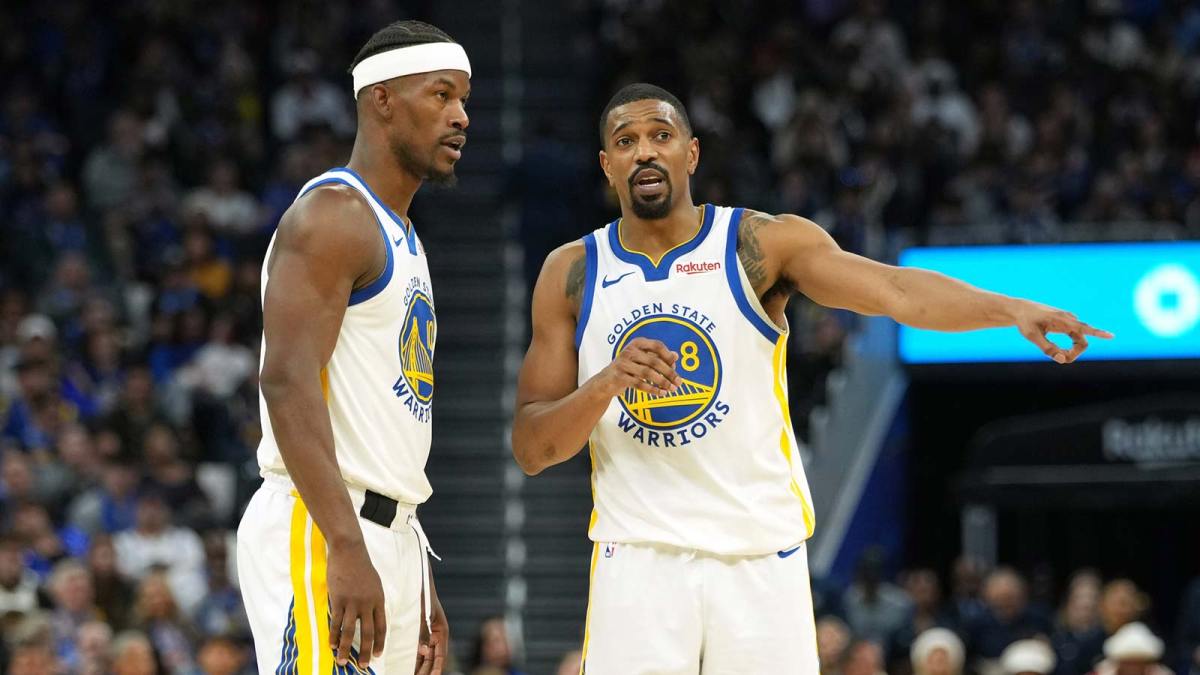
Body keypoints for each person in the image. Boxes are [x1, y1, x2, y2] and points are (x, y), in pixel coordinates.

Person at [510, 82, 1112, 673]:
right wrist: (607, 382)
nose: (644, 150)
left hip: (758, 554)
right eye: (626, 140)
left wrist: (1010, 310)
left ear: (690, 153)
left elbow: (895, 292)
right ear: (607, 165)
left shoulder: (762, 244)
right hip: (638, 559)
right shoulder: (572, 273)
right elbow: (534, 449)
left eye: (660, 135)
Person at [235, 19, 469, 675]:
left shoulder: (403, 234)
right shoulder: (334, 216)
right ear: (382, 99)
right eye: (442, 95)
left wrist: (414, 567)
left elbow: (383, 422)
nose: (460, 117)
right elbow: (285, 380)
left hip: (387, 535)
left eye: (464, 101)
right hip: (322, 524)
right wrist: (345, 540)